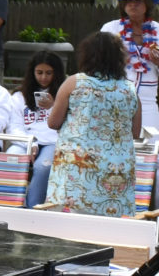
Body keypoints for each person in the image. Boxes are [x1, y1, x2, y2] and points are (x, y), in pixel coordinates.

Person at [45, 29, 142, 216]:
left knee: (71, 221)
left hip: (80, 169)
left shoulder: (74, 83)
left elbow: (53, 122)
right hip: (116, 173)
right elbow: (136, 132)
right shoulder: (129, 89)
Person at [99, 0, 159, 146]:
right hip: (115, 99)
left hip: (147, 103)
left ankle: (157, 173)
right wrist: (117, 59)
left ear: (147, 4)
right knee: (113, 148)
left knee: (156, 150)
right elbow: (97, 66)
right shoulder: (110, 29)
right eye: (128, 0)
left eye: (138, 0)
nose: (133, 5)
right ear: (122, 4)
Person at [12, 54, 65, 207]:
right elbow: (14, 126)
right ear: (32, 72)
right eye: (39, 72)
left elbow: (68, 124)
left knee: (43, 166)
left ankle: (33, 208)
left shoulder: (64, 94)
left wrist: (54, 107)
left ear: (57, 73)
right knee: (13, 158)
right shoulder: (19, 95)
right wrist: (30, 143)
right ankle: (9, 204)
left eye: (49, 73)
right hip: (25, 140)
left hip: (52, 141)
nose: (43, 78)